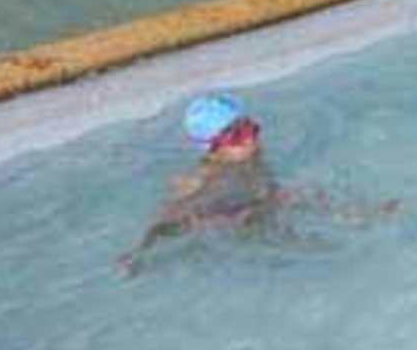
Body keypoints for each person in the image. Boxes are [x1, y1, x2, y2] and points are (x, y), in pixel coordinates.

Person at [120, 93, 393, 273]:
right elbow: (168, 218)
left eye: (250, 128)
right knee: (314, 251)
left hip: (262, 202)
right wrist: (139, 251)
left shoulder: (250, 157)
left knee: (308, 194)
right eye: (237, 136)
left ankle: (359, 215)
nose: (250, 139)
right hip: (236, 220)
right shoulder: (200, 180)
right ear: (211, 148)